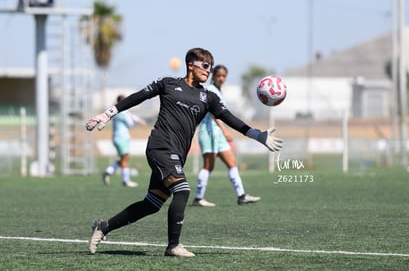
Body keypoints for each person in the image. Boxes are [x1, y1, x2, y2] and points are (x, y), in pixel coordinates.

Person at [85, 47, 283, 257]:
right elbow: (138, 97)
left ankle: (103, 227)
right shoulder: (168, 83)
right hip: (160, 147)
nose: (209, 71)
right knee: (182, 190)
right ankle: (173, 246)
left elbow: (231, 119)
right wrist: (108, 114)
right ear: (191, 65)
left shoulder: (208, 97)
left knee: (152, 203)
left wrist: (258, 135)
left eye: (211, 67)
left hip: (177, 154)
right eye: (205, 66)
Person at [192, 65, 260, 207]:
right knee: (208, 166)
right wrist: (224, 129)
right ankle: (198, 198)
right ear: (213, 76)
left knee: (232, 163)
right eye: (219, 76)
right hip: (209, 132)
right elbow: (212, 112)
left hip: (217, 134)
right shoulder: (210, 90)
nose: (221, 78)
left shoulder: (218, 91)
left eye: (224, 76)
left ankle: (242, 196)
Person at [102, 94, 147, 188]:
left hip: (117, 137)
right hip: (122, 138)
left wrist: (137, 119)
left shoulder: (118, 111)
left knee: (123, 159)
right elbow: (130, 123)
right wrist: (133, 118)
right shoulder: (122, 112)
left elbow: (133, 118)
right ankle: (125, 181)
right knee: (125, 159)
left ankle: (108, 171)